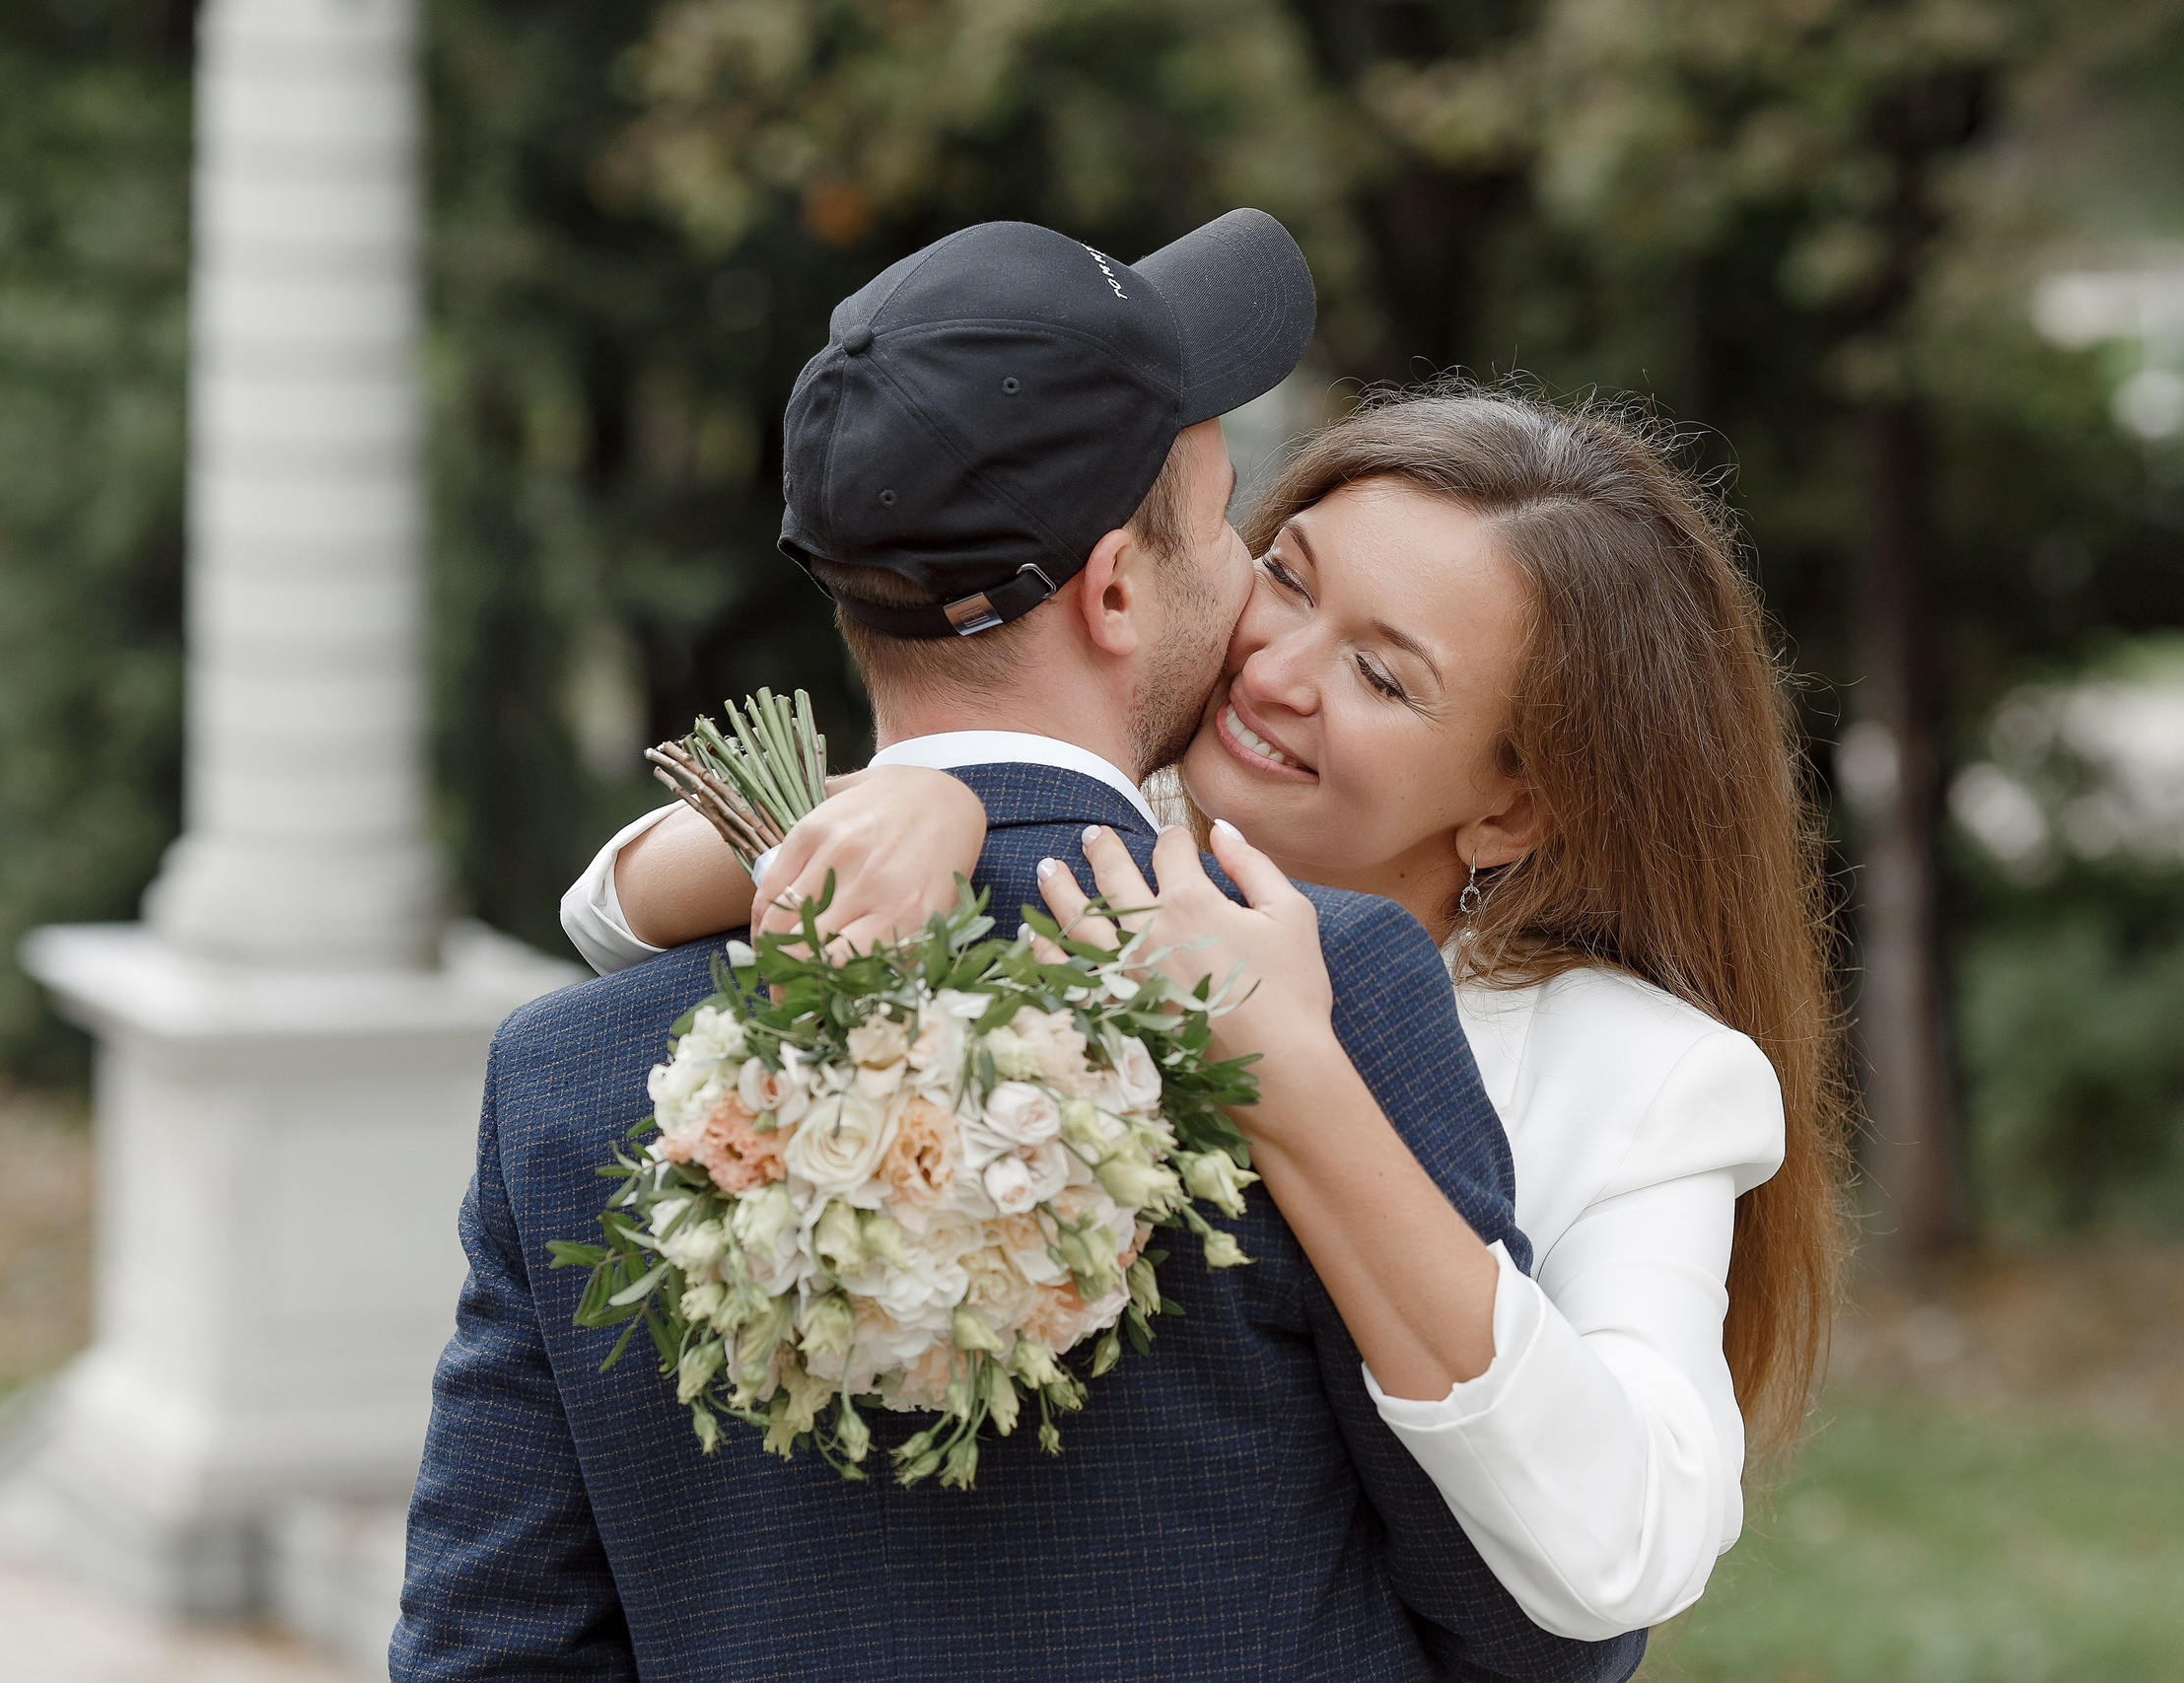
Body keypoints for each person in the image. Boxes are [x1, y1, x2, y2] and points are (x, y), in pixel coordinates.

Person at [396, 212, 1644, 1682]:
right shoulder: (1315, 984)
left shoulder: (568, 1076)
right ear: (1116, 587)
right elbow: (1539, 1637)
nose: (1255, 598)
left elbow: (491, 1654)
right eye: (1230, 521)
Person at [569, 386, 1850, 1640]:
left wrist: (1293, 1073)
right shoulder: (1092, 857)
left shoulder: (1637, 1075)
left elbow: (1630, 1551)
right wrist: (924, 798)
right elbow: (609, 910)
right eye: (1287, 578)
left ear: (1510, 808)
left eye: (1382, 678)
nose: (1278, 670)